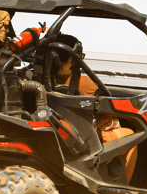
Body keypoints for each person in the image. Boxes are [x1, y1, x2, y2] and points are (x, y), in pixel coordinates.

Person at [53, 35, 137, 181]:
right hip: (80, 140)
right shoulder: (85, 83)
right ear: (72, 60)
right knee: (130, 135)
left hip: (54, 135)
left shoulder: (34, 80)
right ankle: (122, 193)